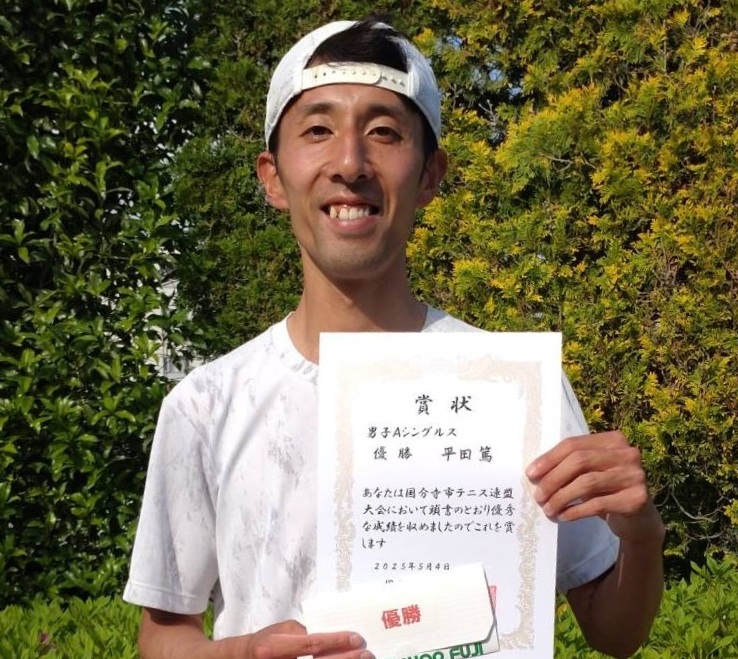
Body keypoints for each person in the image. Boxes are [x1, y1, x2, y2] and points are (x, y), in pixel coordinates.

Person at [123, 18, 665, 659]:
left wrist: (640, 534)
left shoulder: (513, 390)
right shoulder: (206, 405)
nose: (350, 163)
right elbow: (165, 633)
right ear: (272, 176)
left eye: (383, 132)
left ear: (431, 174)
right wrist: (240, 653)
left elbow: (615, 633)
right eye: (318, 130)